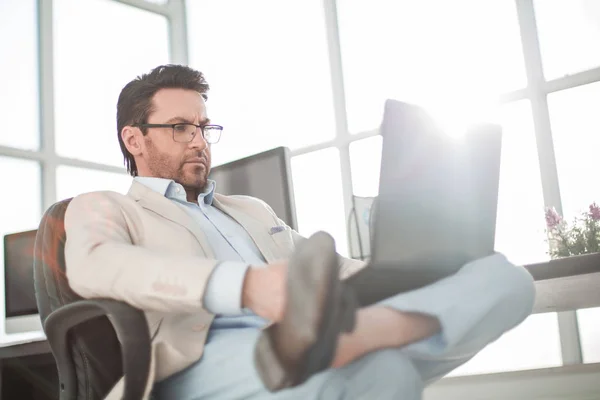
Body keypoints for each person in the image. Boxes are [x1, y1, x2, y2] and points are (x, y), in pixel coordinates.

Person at [64, 64, 536, 400]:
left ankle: (340, 341)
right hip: (198, 359)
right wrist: (247, 287)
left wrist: (412, 271)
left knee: (504, 279)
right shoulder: (105, 207)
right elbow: (96, 265)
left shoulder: (250, 209)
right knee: (383, 371)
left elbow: (335, 271)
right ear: (134, 139)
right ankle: (325, 346)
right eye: (180, 128)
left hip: (304, 330)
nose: (199, 142)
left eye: (205, 129)